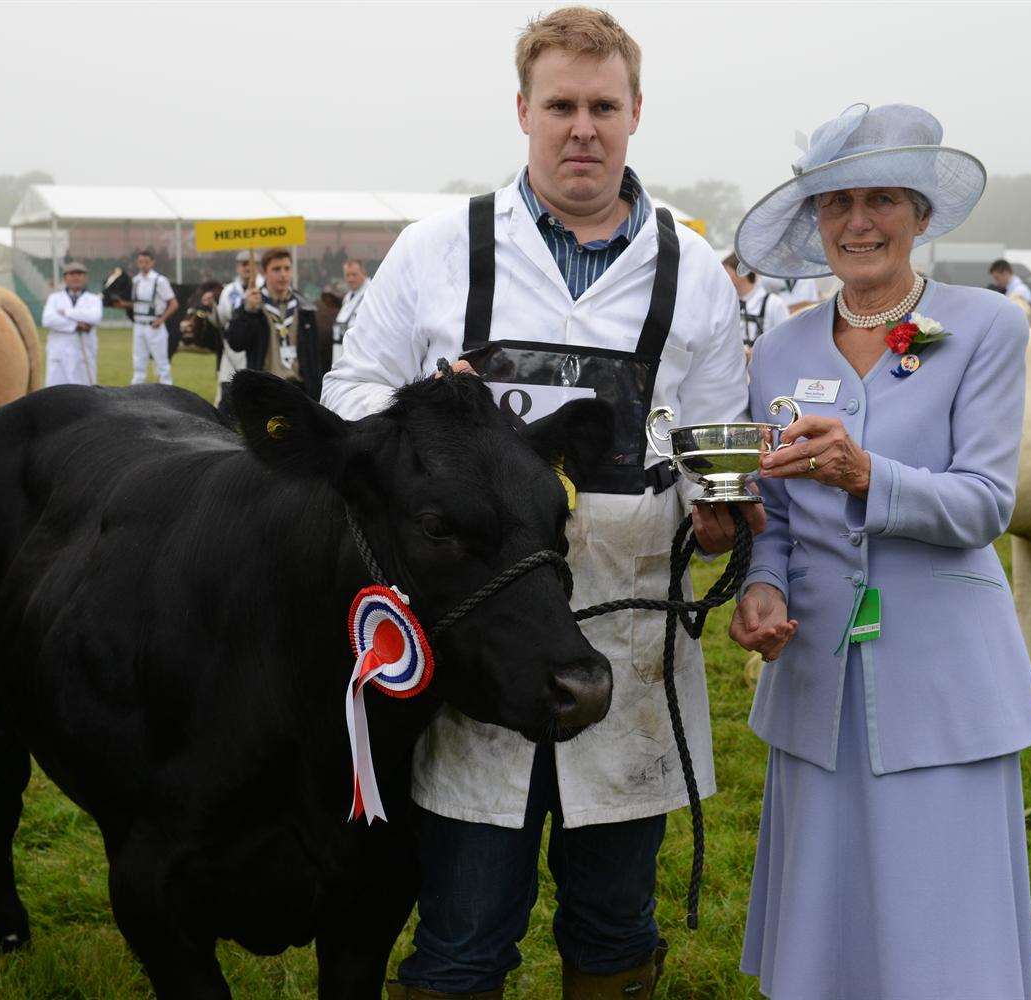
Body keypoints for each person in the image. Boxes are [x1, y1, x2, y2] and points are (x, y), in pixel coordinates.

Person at [322, 8, 753, 997]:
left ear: (636, 113)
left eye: (604, 105)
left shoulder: (696, 275)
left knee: (612, 928)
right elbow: (346, 402)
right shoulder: (439, 248)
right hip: (476, 644)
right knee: (466, 931)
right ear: (524, 111)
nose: (582, 128)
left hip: (632, 648)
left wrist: (727, 511)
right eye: (561, 105)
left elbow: (719, 442)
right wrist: (429, 414)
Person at [730, 102, 1031, 1000]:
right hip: (818, 685)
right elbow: (776, 516)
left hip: (942, 684)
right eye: (836, 204)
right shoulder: (781, 349)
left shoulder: (977, 327)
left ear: (920, 215)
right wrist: (760, 586)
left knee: (941, 936)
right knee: (827, 936)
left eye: (880, 201)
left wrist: (869, 474)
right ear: (814, 222)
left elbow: (987, 503)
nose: (857, 223)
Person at [224, 247, 319, 397]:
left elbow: (314, 358)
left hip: (300, 389)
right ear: (264, 272)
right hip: (264, 390)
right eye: (276, 269)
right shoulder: (253, 304)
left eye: (287, 268)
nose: (283, 274)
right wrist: (248, 312)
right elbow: (236, 343)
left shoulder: (305, 307)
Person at [212, 250, 265, 404]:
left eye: (252, 264)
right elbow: (221, 319)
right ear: (237, 267)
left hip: (256, 345)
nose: (248, 268)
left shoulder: (265, 288)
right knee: (228, 387)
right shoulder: (228, 290)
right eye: (244, 264)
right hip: (231, 347)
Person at [41, 261, 105, 386]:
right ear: (65, 278)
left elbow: (95, 317)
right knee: (56, 394)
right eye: (72, 274)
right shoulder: (54, 298)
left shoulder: (93, 299)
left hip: (84, 354)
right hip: (59, 354)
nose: (76, 277)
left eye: (80, 274)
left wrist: (66, 312)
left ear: (85, 278)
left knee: (84, 395)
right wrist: (76, 325)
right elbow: (48, 320)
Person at [128, 249, 178, 385]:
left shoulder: (160, 281)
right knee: (138, 361)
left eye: (146, 262)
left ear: (152, 263)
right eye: (140, 262)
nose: (143, 265)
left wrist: (161, 319)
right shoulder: (135, 281)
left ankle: (167, 391)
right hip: (138, 325)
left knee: (162, 363)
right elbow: (135, 304)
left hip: (154, 326)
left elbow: (173, 304)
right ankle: (135, 392)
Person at [723, 250, 790, 350]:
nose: (723, 277)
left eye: (727, 272)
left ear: (742, 274)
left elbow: (786, 341)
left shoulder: (774, 303)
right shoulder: (728, 304)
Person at [331, 257, 368, 361]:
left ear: (364, 273)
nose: (350, 279)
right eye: (347, 275)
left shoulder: (371, 295)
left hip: (359, 358)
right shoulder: (348, 297)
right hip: (341, 354)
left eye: (354, 275)